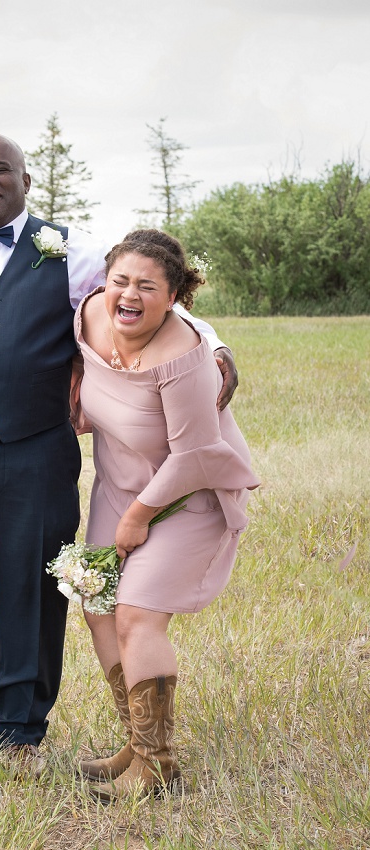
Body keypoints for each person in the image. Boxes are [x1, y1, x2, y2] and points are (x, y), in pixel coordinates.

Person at [0, 132, 238, 787]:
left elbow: (143, 297)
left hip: (38, 451)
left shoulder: (68, 251)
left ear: (26, 181)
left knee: (34, 595)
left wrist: (214, 345)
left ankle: (20, 737)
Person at [71, 229, 257, 799]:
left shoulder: (184, 356)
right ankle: (135, 741)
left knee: (135, 615)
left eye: (147, 287)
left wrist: (138, 518)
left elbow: (196, 456)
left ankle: (157, 768)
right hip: (118, 485)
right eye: (119, 281)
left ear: (173, 296)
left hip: (186, 497)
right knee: (97, 605)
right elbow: (81, 372)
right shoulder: (91, 316)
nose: (128, 296)